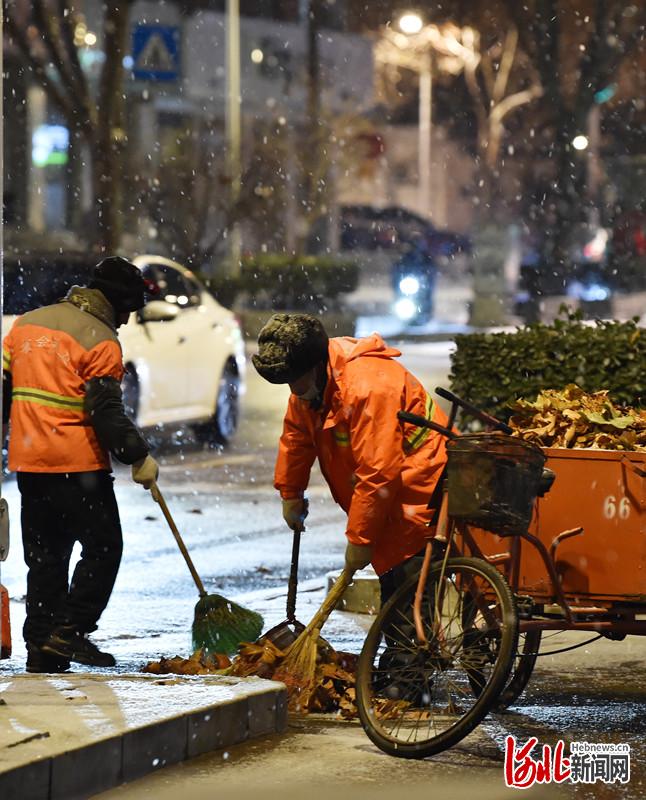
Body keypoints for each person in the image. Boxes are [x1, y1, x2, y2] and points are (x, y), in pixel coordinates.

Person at [2, 256, 161, 672]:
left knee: (45, 555)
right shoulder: (100, 339)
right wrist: (138, 456)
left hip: (30, 464)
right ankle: (69, 632)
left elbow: (4, 393)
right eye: (127, 310)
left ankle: (41, 647)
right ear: (116, 303)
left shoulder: (25, 325)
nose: (126, 321)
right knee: (104, 548)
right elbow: (105, 411)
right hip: (78, 466)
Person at [252, 313, 450, 603]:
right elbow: (297, 438)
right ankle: (404, 641)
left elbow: (378, 471)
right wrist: (290, 493)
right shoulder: (312, 386)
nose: (293, 390)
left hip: (421, 486)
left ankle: (412, 647)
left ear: (316, 366)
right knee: (394, 579)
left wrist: (360, 539)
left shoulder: (368, 387)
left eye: (296, 380)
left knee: (408, 584)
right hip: (391, 491)